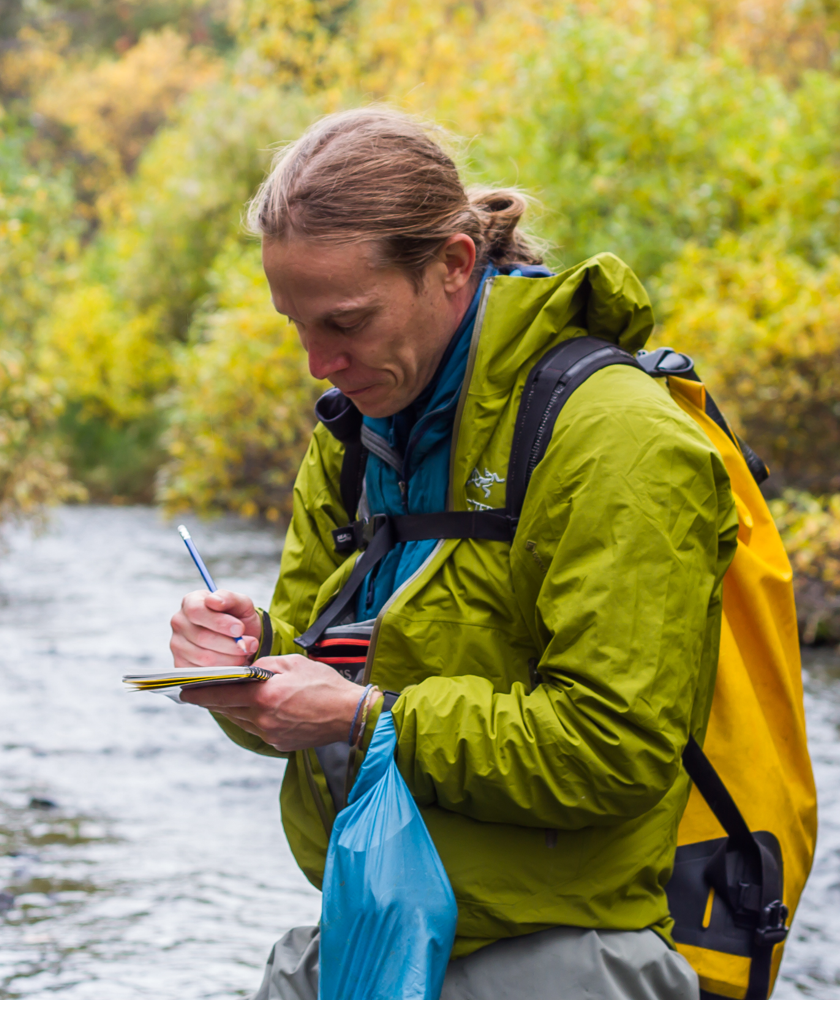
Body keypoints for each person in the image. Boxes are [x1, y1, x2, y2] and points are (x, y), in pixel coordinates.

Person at [167, 108, 738, 1000]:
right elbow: (328, 684)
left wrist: (363, 719)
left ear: (454, 266)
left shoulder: (616, 439)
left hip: (555, 957)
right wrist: (246, 669)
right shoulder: (354, 434)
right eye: (298, 324)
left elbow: (613, 748)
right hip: (370, 932)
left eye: (346, 321)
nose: (320, 361)